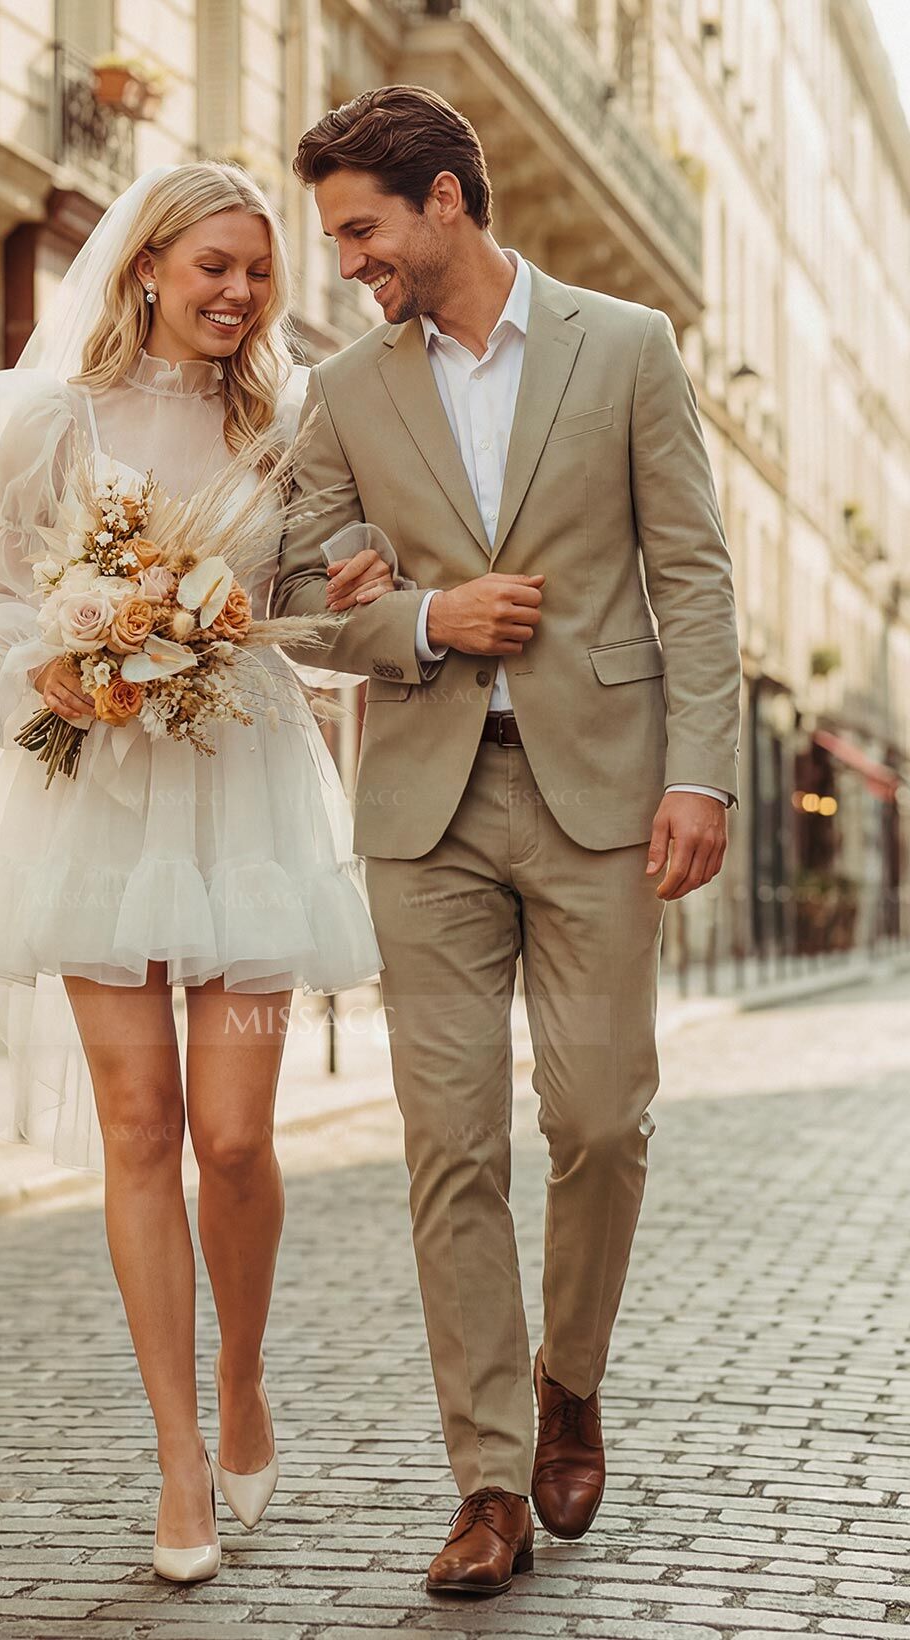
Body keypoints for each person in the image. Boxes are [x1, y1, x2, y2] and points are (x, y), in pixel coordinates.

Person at [0, 162, 395, 1585]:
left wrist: (335, 594)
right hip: (91, 804)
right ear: (150, 266)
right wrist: (63, 659)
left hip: (243, 796)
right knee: (139, 1121)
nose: (237, 294)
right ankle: (178, 1452)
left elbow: (299, 603)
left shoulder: (291, 426)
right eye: (214, 266)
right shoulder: (43, 420)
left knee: (232, 1134)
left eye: (257, 272)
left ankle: (242, 1373)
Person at [274, 86, 742, 1596]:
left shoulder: (628, 347)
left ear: (447, 202)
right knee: (449, 1145)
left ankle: (570, 1377)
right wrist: (416, 616)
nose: (346, 260)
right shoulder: (344, 386)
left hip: (604, 790)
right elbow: (292, 586)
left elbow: (696, 574)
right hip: (427, 806)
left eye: (361, 229)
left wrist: (707, 776)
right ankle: (486, 1482)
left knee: (602, 1119)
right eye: (335, 234)